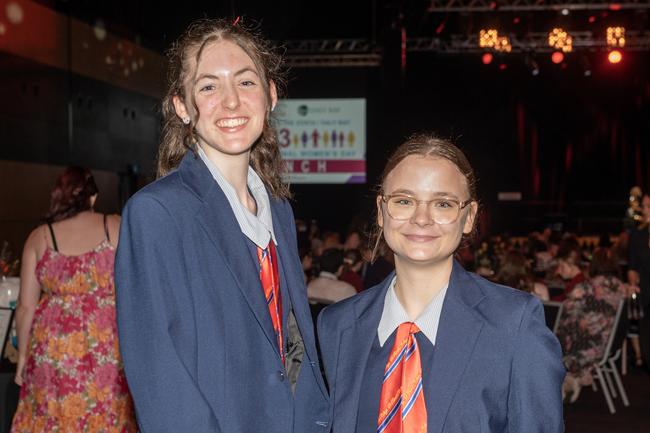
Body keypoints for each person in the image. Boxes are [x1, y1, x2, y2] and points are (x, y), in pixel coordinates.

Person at [114, 18, 329, 433]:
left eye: (246, 83)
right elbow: (162, 377)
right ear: (182, 106)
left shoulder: (278, 210)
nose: (231, 102)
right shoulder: (157, 213)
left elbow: (290, 346)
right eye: (209, 86)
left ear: (270, 96)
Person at [318, 134, 564, 433]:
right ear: (382, 211)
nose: (422, 218)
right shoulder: (337, 325)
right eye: (404, 201)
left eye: (443, 204)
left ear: (469, 216)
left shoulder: (514, 326)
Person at [11, 167, 136, 433]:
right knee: (107, 412)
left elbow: (25, 307)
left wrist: (22, 357)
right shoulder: (114, 227)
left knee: (52, 416)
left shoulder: (40, 237)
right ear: (93, 198)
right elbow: (136, 288)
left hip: (52, 350)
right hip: (107, 348)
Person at [556, 248, 628, 403]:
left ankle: (562, 382)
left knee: (551, 341)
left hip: (586, 346)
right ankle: (572, 378)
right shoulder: (622, 288)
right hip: (608, 344)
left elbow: (566, 313)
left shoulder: (585, 288)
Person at [628, 193, 650, 367]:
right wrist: (633, 285)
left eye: (649, 206)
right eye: (644, 206)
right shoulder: (638, 234)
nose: (645, 210)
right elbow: (633, 266)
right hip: (646, 294)